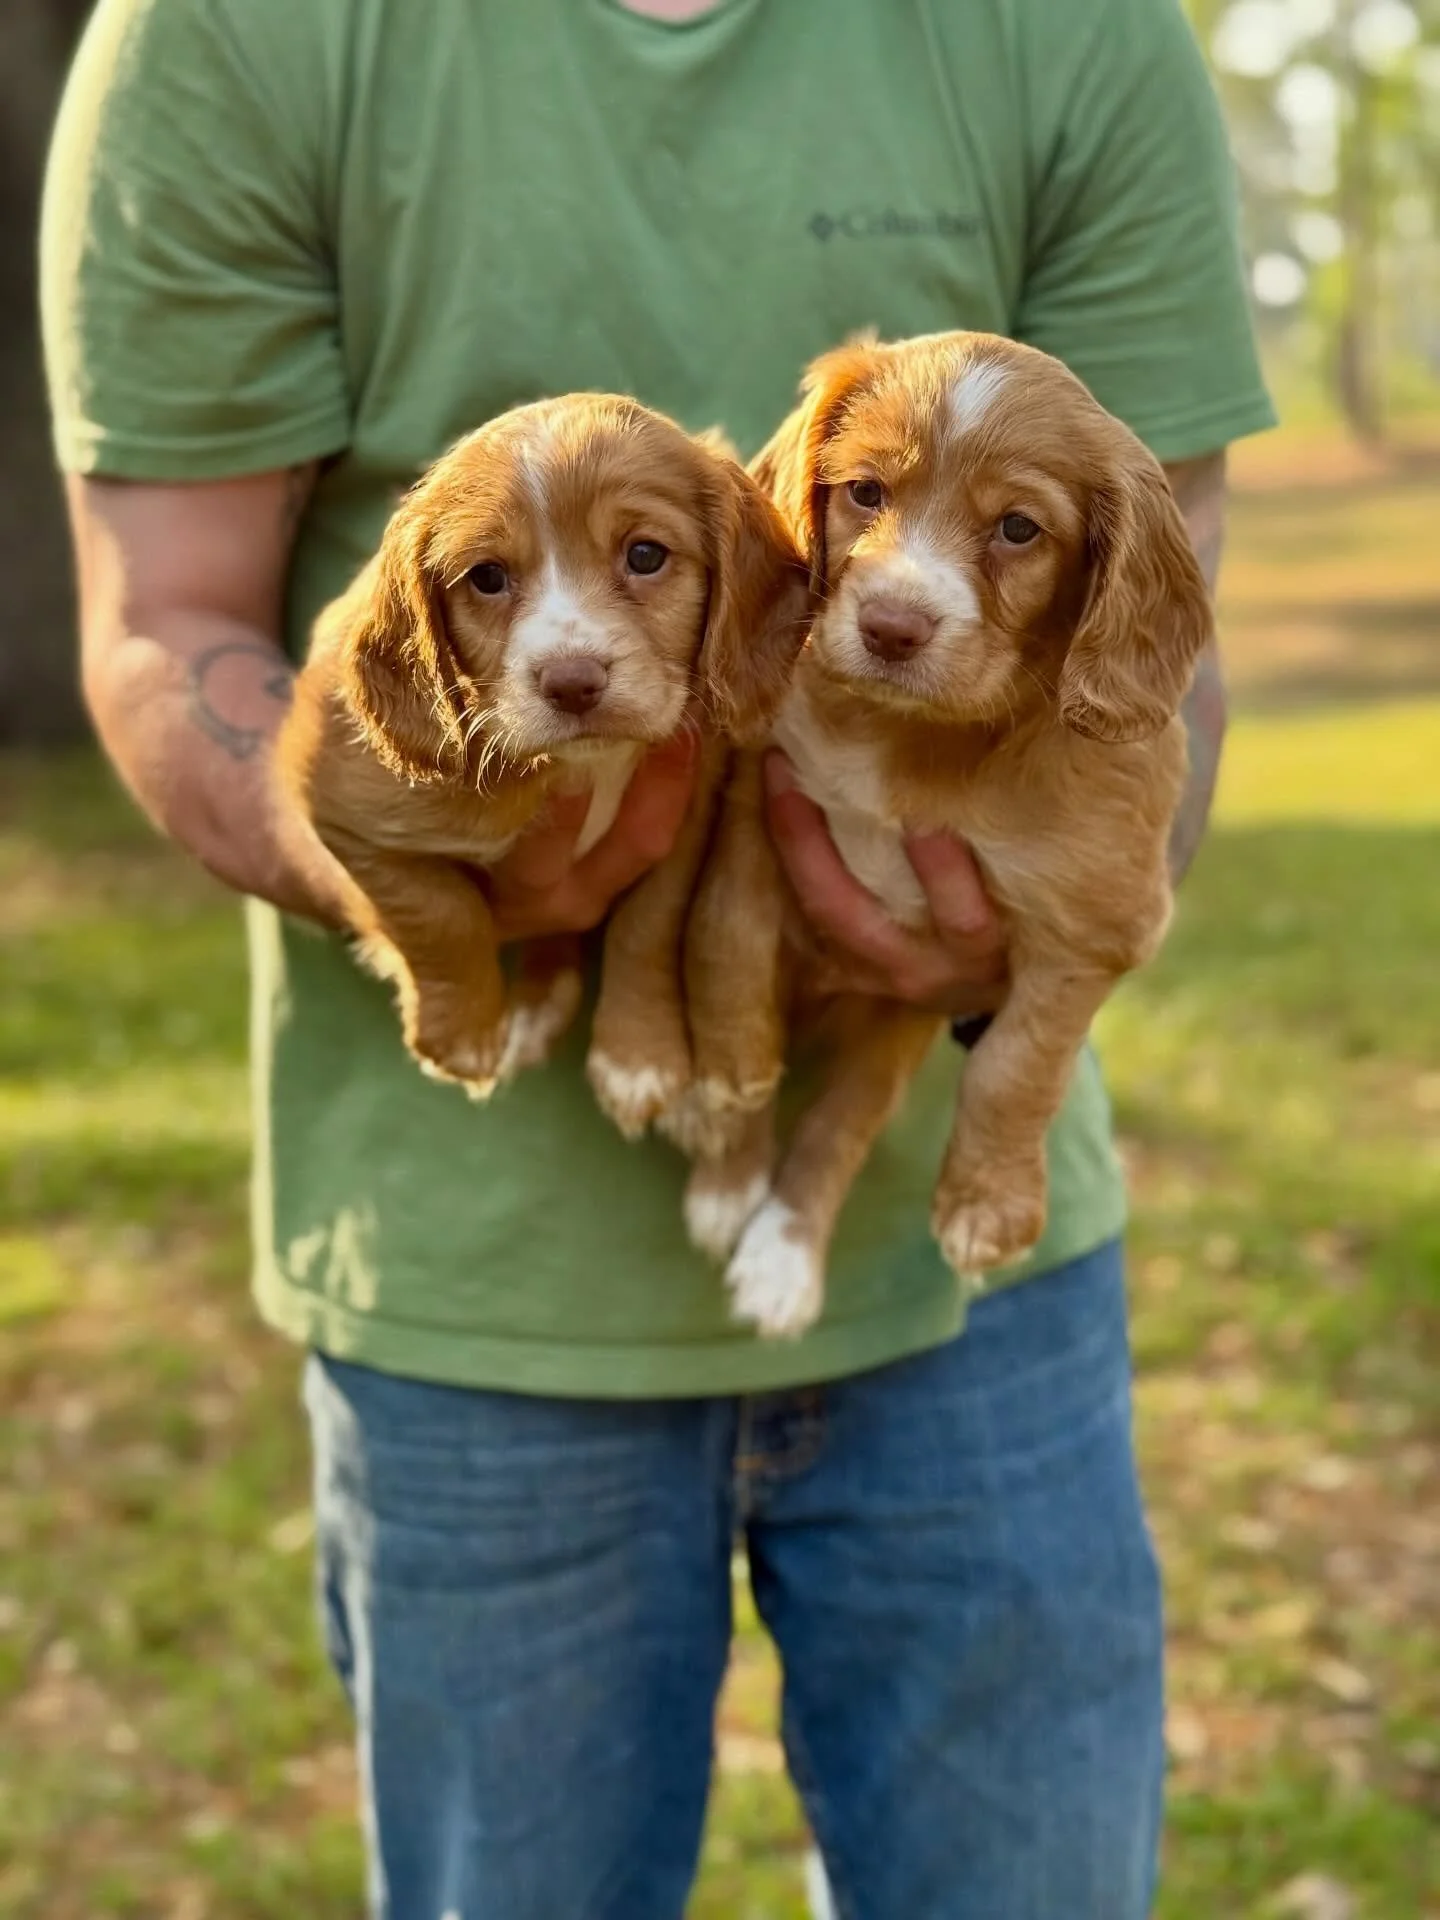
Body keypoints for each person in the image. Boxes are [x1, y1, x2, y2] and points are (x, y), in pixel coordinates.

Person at [41, 0, 1273, 1913]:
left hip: (972, 1317)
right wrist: (433, 881)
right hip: (471, 1284)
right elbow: (164, 613)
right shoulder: (228, 29)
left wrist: (999, 949)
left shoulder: (1072, 29)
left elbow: (1154, 608)